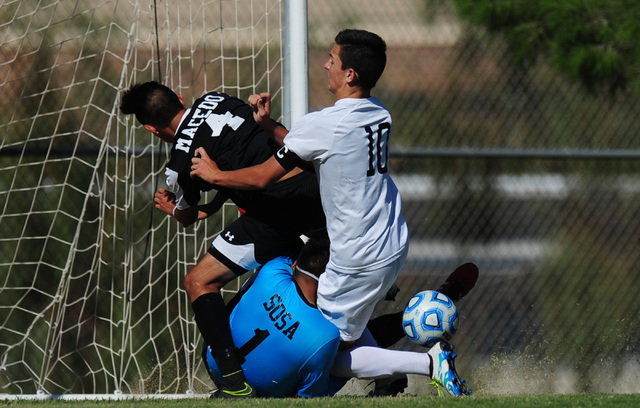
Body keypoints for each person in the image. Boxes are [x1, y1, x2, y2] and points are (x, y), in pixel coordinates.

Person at [119, 82, 327, 398]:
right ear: (180, 98)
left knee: (198, 281)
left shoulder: (178, 166)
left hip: (275, 210)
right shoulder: (217, 98)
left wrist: (172, 210)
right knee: (317, 277)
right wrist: (213, 204)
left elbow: (188, 217)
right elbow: (237, 150)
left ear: (151, 128)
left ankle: (233, 382)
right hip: (313, 187)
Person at [203, 239, 477, 397]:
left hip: (218, 362)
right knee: (340, 344)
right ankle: (426, 360)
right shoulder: (324, 336)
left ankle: (406, 351)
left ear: (297, 263)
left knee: (335, 334)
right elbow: (311, 398)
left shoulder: (272, 269)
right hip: (265, 385)